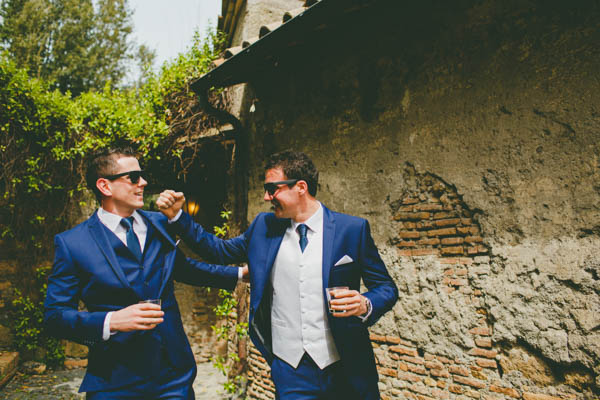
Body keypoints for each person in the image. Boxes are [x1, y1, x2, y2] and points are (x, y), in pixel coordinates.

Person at [157, 150, 398, 399]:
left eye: (272, 189)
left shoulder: (352, 229)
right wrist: (177, 216)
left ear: (301, 187)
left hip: (346, 364)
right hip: (290, 370)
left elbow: (386, 288)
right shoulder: (264, 227)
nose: (266, 196)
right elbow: (218, 250)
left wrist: (365, 303)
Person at [44, 147, 246, 399]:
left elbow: (183, 268)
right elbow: (54, 316)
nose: (144, 182)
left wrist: (241, 274)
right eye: (133, 177)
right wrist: (112, 321)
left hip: (173, 375)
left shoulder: (160, 223)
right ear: (105, 186)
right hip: (113, 380)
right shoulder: (72, 243)